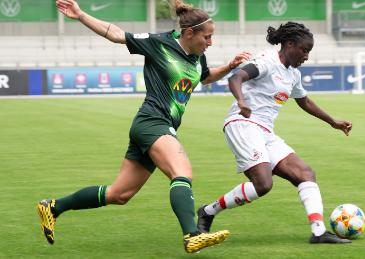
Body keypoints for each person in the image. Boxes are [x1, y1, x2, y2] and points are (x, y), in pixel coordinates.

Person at [37, 0, 250, 253]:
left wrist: (229, 66)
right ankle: (192, 234)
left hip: (155, 126)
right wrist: (81, 15)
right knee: (182, 172)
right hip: (152, 122)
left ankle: (53, 207)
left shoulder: (197, 55)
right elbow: (116, 35)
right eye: (208, 37)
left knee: (119, 194)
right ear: (189, 33)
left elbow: (204, 78)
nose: (210, 42)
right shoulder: (159, 43)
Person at [196, 22, 353, 244]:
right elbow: (235, 78)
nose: (306, 56)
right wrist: (241, 101)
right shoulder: (266, 61)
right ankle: (208, 211)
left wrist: (332, 122)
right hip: (243, 123)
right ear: (289, 44)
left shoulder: (293, 74)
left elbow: (304, 101)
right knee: (263, 184)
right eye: (304, 50)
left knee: (305, 173)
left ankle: (318, 232)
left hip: (265, 132)